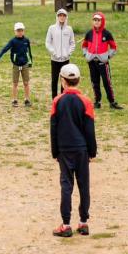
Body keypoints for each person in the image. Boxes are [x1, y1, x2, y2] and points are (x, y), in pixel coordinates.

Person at [50, 63, 97, 237]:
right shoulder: (85, 101)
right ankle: (83, 222)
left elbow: (53, 129)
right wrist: (92, 152)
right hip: (82, 149)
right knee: (84, 185)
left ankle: (66, 224)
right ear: (78, 81)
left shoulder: (57, 101)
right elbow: (89, 129)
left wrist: (55, 152)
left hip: (64, 149)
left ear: (63, 81)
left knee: (66, 185)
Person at [82, 12, 122, 109]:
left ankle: (112, 102)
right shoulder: (89, 33)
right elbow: (84, 45)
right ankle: (97, 101)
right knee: (95, 82)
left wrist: (107, 56)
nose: (96, 22)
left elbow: (113, 47)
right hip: (91, 61)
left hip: (102, 62)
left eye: (98, 20)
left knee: (106, 82)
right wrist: (86, 54)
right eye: (95, 20)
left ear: (102, 21)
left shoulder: (107, 34)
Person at [0, 22, 34, 107]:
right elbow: (4, 49)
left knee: (26, 82)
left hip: (25, 64)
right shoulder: (12, 41)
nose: (20, 32)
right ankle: (14, 100)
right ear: (15, 31)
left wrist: (30, 62)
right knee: (15, 83)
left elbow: (29, 52)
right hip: (16, 65)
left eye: (21, 30)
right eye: (18, 31)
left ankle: (27, 99)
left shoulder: (26, 41)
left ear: (24, 31)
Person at [45, 8, 75, 100]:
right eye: (60, 15)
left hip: (65, 60)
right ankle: (54, 99)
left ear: (66, 17)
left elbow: (72, 43)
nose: (62, 17)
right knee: (54, 80)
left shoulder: (69, 29)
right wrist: (54, 53)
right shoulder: (52, 28)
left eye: (64, 16)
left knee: (65, 80)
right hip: (55, 59)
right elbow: (48, 42)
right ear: (57, 17)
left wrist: (68, 53)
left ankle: (63, 99)